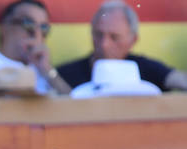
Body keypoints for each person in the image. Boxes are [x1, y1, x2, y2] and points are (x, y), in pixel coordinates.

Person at [56, 1, 187, 93]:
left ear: (133, 40)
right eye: (98, 34)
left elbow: (178, 80)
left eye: (114, 37)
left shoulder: (146, 69)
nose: (104, 44)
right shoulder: (65, 74)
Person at [0, 1, 70, 96]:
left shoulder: (43, 69)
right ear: (5, 27)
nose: (37, 34)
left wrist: (47, 69)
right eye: (28, 24)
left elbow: (72, 106)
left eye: (43, 28)